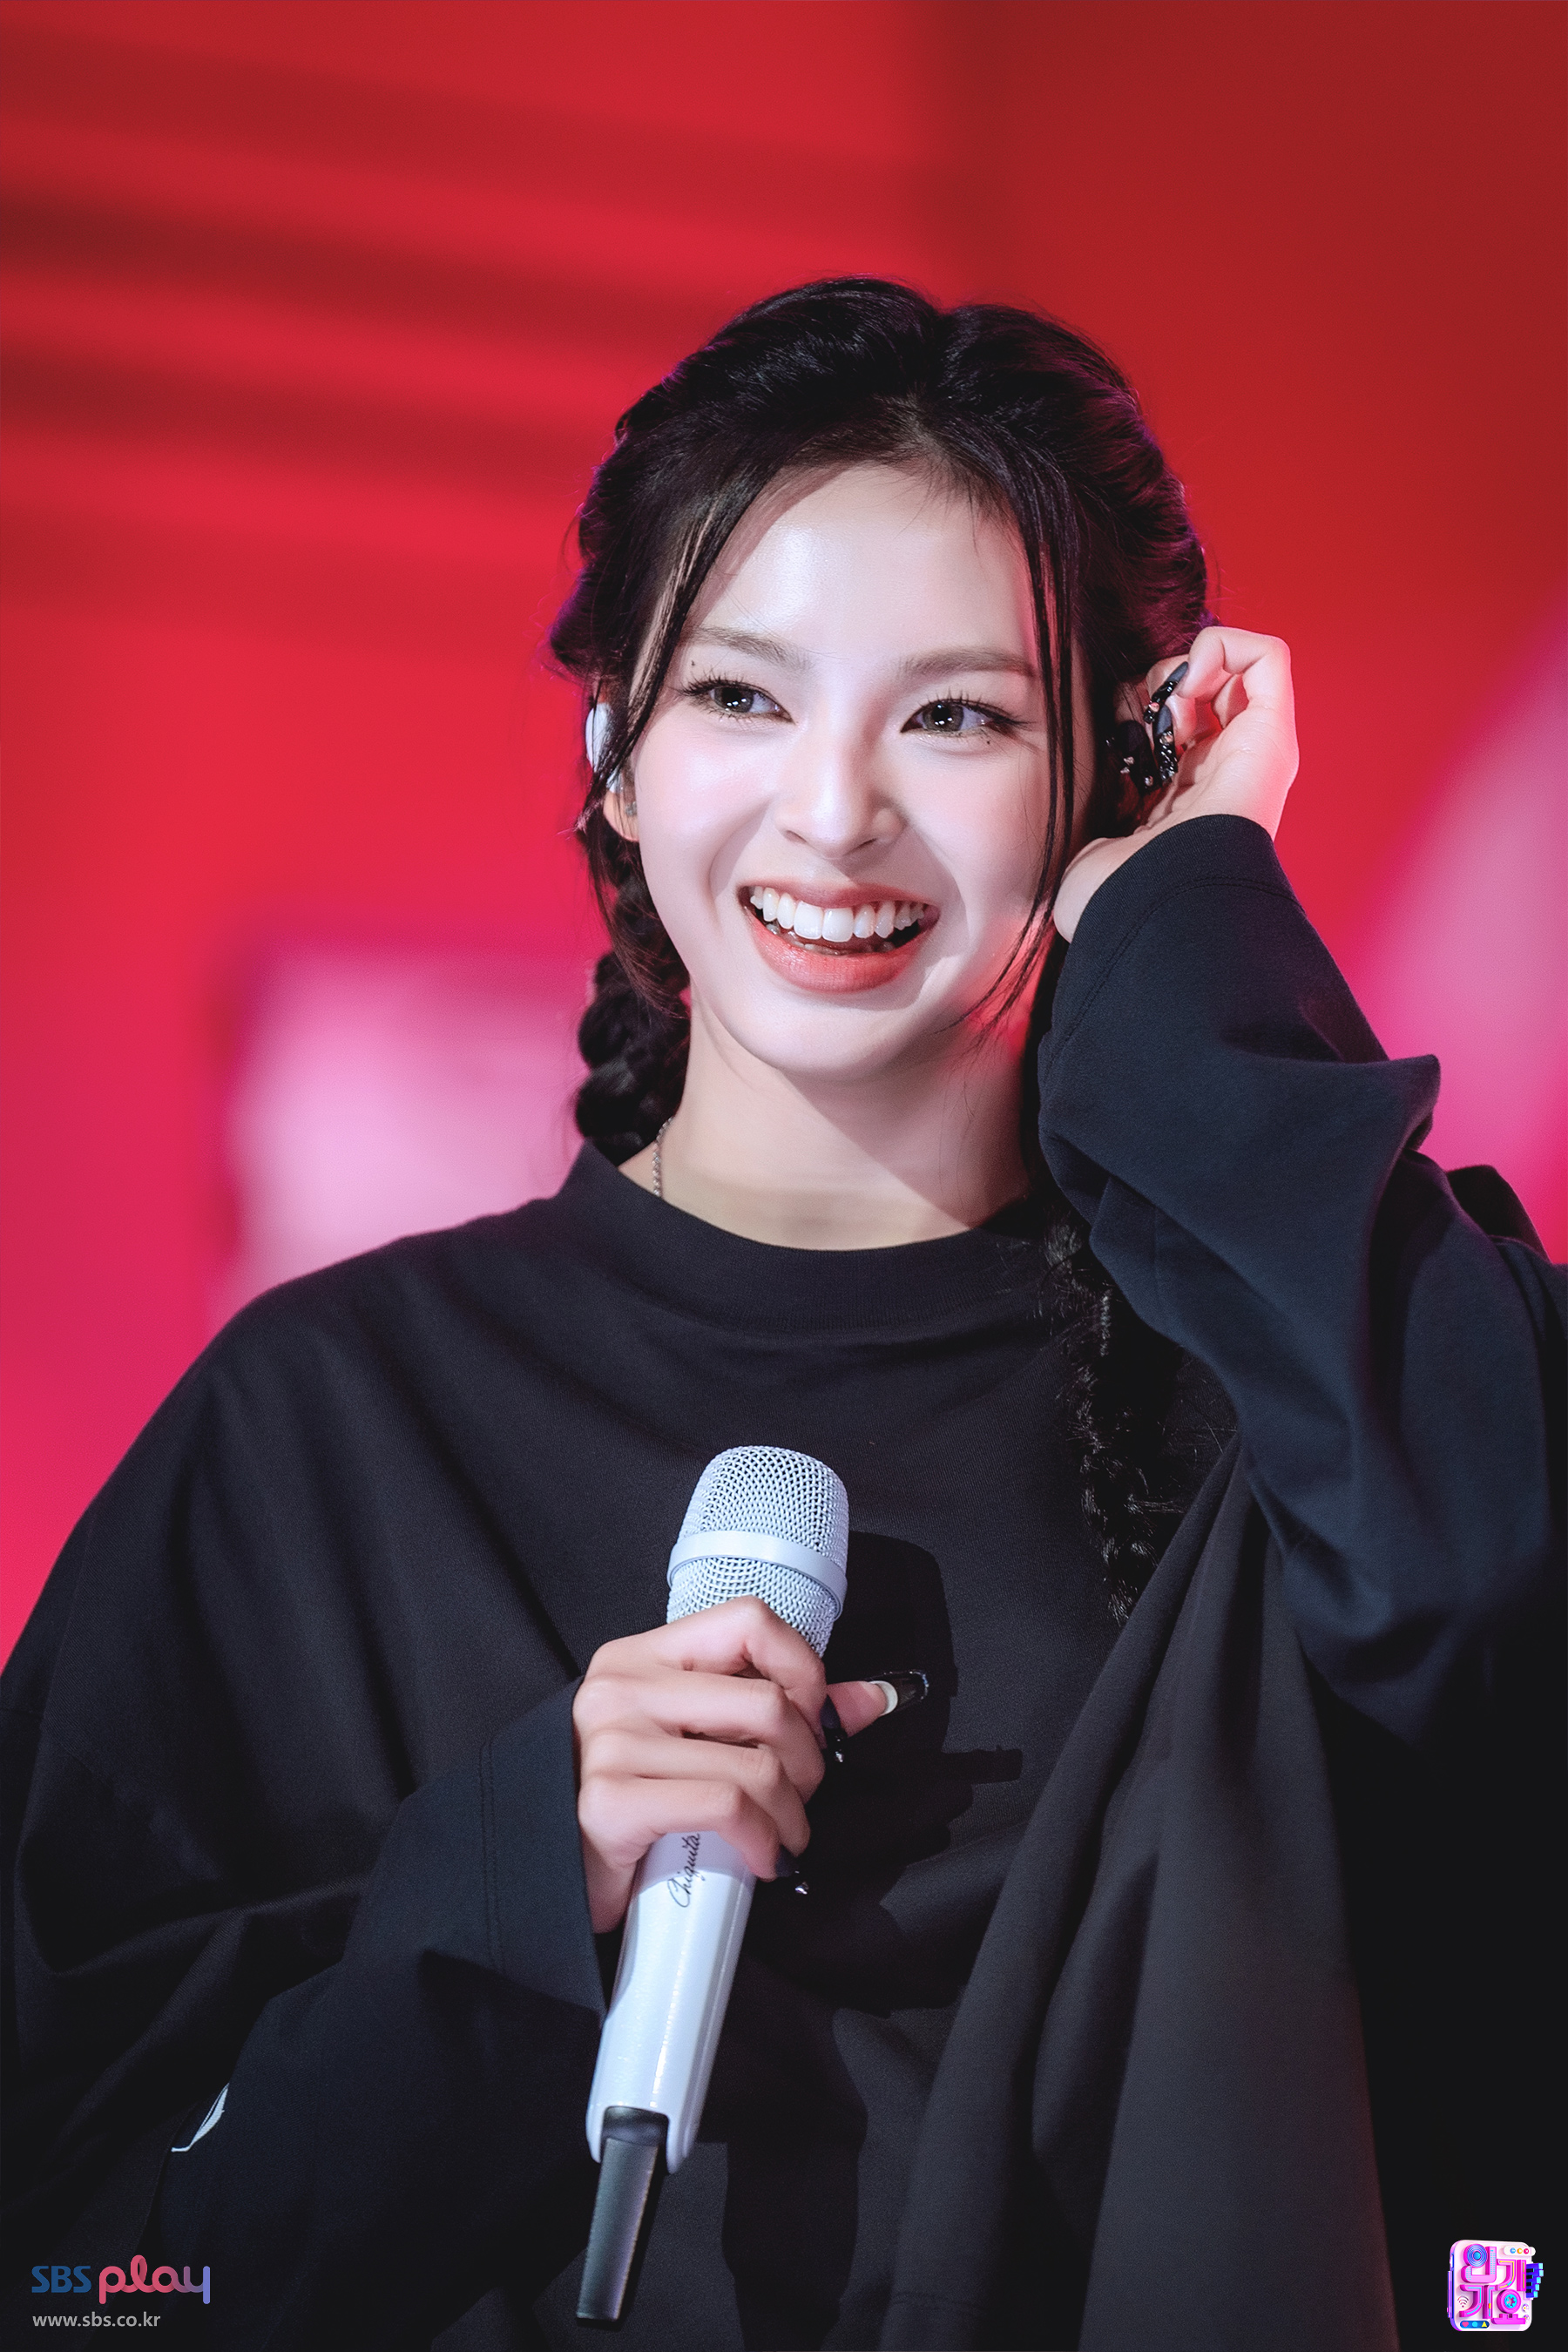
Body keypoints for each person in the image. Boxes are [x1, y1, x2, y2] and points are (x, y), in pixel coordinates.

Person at [2, 280, 1561, 2352]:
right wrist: (523, 1879)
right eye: (742, 696)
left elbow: (1496, 1614)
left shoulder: (1307, 1370)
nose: (835, 812)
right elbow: (89, 2284)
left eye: (959, 717)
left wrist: (1192, 917)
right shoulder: (323, 1433)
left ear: (1108, 778)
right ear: (616, 758)